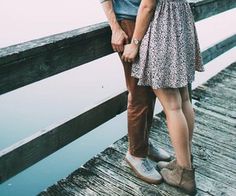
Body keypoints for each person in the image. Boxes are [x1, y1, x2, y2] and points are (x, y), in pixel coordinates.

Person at [122, 0, 204, 194]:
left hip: (164, 27)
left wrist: (135, 43)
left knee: (173, 105)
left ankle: (184, 173)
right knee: (184, 99)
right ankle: (184, 162)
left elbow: (147, 5)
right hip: (181, 22)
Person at [99, 0, 171, 185]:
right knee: (138, 94)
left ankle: (143, 144)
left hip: (150, 22)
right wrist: (115, 28)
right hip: (129, 23)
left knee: (151, 90)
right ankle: (135, 155)